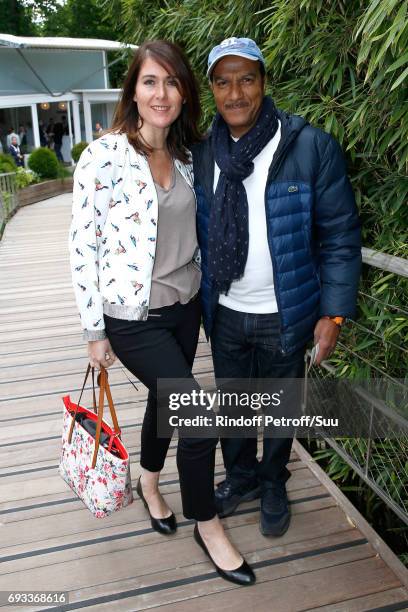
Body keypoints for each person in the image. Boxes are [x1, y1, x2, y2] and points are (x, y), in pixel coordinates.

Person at [69, 39, 255, 586]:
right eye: (150, 81)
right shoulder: (103, 157)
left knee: (165, 398)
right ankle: (207, 521)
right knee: (195, 414)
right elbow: (84, 245)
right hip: (130, 317)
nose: (161, 93)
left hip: (184, 307)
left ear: (183, 93)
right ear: (133, 89)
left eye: (172, 82)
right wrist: (93, 329)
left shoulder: (191, 155)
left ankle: (150, 482)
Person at [193, 37, 361, 537]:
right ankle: (241, 477)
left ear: (264, 83)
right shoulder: (203, 152)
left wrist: (332, 315)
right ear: (212, 91)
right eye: (223, 82)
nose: (235, 93)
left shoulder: (309, 146)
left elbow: (339, 237)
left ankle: (273, 483)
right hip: (224, 309)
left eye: (246, 79)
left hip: (285, 312)